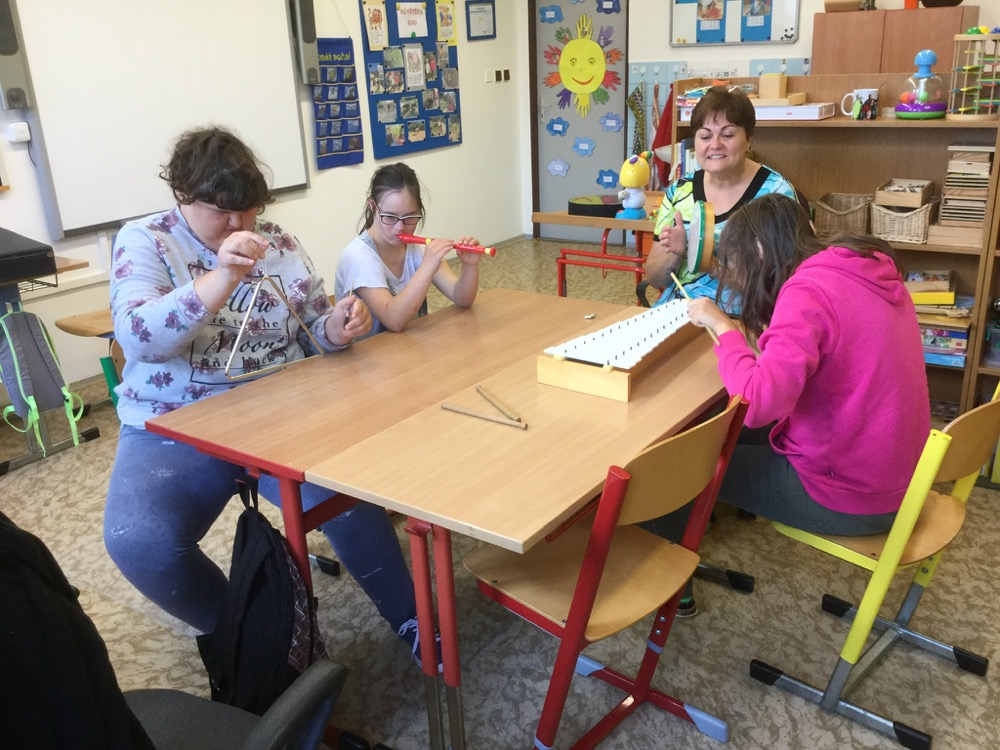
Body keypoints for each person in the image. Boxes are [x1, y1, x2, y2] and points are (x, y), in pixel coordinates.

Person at [104, 127, 432, 668]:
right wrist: (222, 275)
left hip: (278, 406)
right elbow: (141, 338)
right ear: (184, 196)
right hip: (173, 420)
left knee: (349, 500)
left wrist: (337, 327)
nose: (240, 226)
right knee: (138, 542)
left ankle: (414, 620)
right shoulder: (146, 240)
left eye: (249, 210)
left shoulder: (278, 240)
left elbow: (312, 326)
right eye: (222, 213)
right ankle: (262, 643)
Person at [686, 193, 930, 537]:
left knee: (684, 470)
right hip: (903, 480)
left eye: (736, 262)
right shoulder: (857, 269)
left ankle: (672, 566)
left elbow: (755, 405)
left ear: (758, 251)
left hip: (854, 495)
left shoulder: (808, 290)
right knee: (726, 433)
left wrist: (723, 326)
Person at [643, 85, 804, 312]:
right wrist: (675, 254)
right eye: (705, 136)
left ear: (749, 139)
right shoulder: (680, 190)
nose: (715, 144)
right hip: (678, 312)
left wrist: (708, 262)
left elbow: (780, 287)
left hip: (742, 319)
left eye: (728, 135)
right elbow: (654, 278)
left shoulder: (775, 194)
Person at [334, 162, 481, 339]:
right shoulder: (358, 255)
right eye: (390, 217)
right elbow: (393, 320)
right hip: (371, 353)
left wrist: (469, 265)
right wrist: (427, 267)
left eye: (410, 217)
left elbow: (462, 298)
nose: (400, 227)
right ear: (372, 206)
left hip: (411, 346)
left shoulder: (417, 249)